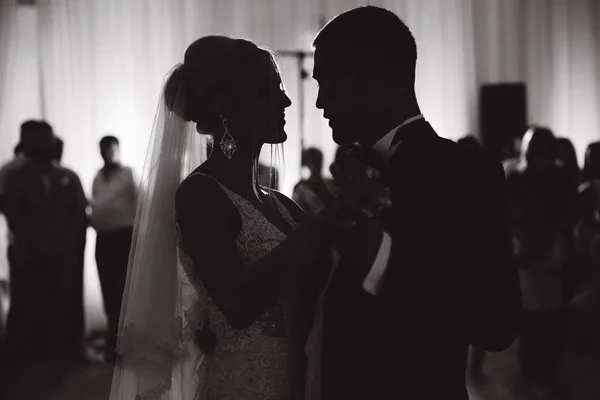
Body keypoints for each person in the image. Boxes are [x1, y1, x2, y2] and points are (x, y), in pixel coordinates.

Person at [306, 6, 522, 399]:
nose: (320, 102)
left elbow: (498, 321)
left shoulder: (464, 170)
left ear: (371, 78)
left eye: (328, 83)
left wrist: (383, 261)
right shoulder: (352, 174)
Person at [109, 36, 332, 400]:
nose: (286, 100)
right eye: (270, 90)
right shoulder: (199, 195)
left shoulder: (280, 204)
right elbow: (238, 304)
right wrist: (324, 224)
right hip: (247, 386)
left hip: (298, 381)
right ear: (231, 105)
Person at [2, 121, 85, 389]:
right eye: (36, 141)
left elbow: (77, 215)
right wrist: (38, 244)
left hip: (60, 258)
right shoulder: (14, 177)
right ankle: (22, 371)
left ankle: (56, 368)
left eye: (46, 140)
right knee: (26, 311)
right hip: (28, 257)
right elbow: (14, 216)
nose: (43, 146)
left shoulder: (68, 177)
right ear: (26, 145)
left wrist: (66, 246)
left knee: (59, 311)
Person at [90, 135, 137, 361]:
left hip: (123, 238)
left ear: (118, 149)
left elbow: (140, 204)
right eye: (103, 149)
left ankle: (128, 342)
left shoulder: (128, 174)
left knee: (123, 289)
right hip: (103, 239)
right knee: (107, 289)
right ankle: (113, 341)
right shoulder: (97, 177)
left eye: (110, 148)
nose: (107, 152)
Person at [293, 147, 336, 216]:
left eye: (318, 161)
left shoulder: (330, 183)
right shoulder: (301, 188)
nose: (316, 165)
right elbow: (295, 212)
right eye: (314, 161)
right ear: (307, 163)